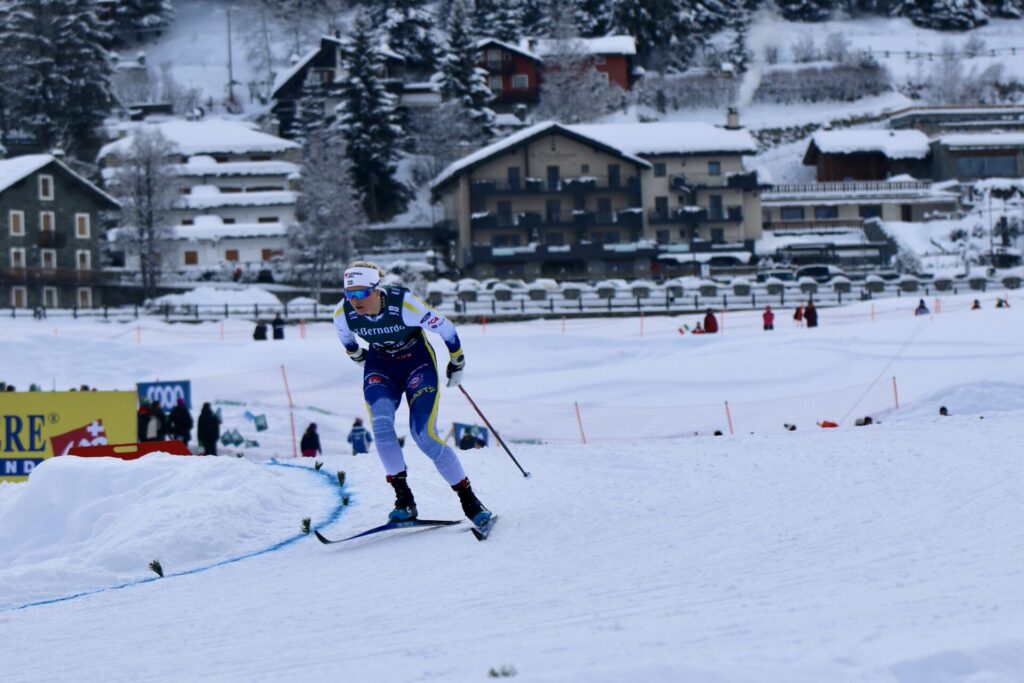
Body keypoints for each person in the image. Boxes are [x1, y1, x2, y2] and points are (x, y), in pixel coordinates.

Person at [333, 261, 492, 527]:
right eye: (349, 294)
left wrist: (457, 361)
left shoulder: (404, 305)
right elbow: (349, 343)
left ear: (376, 290)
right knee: (381, 427)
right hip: (381, 367)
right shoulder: (343, 313)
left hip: (417, 364)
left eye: (360, 293)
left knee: (424, 436)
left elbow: (446, 329)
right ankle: (404, 501)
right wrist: (360, 357)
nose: (354, 301)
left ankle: (470, 502)